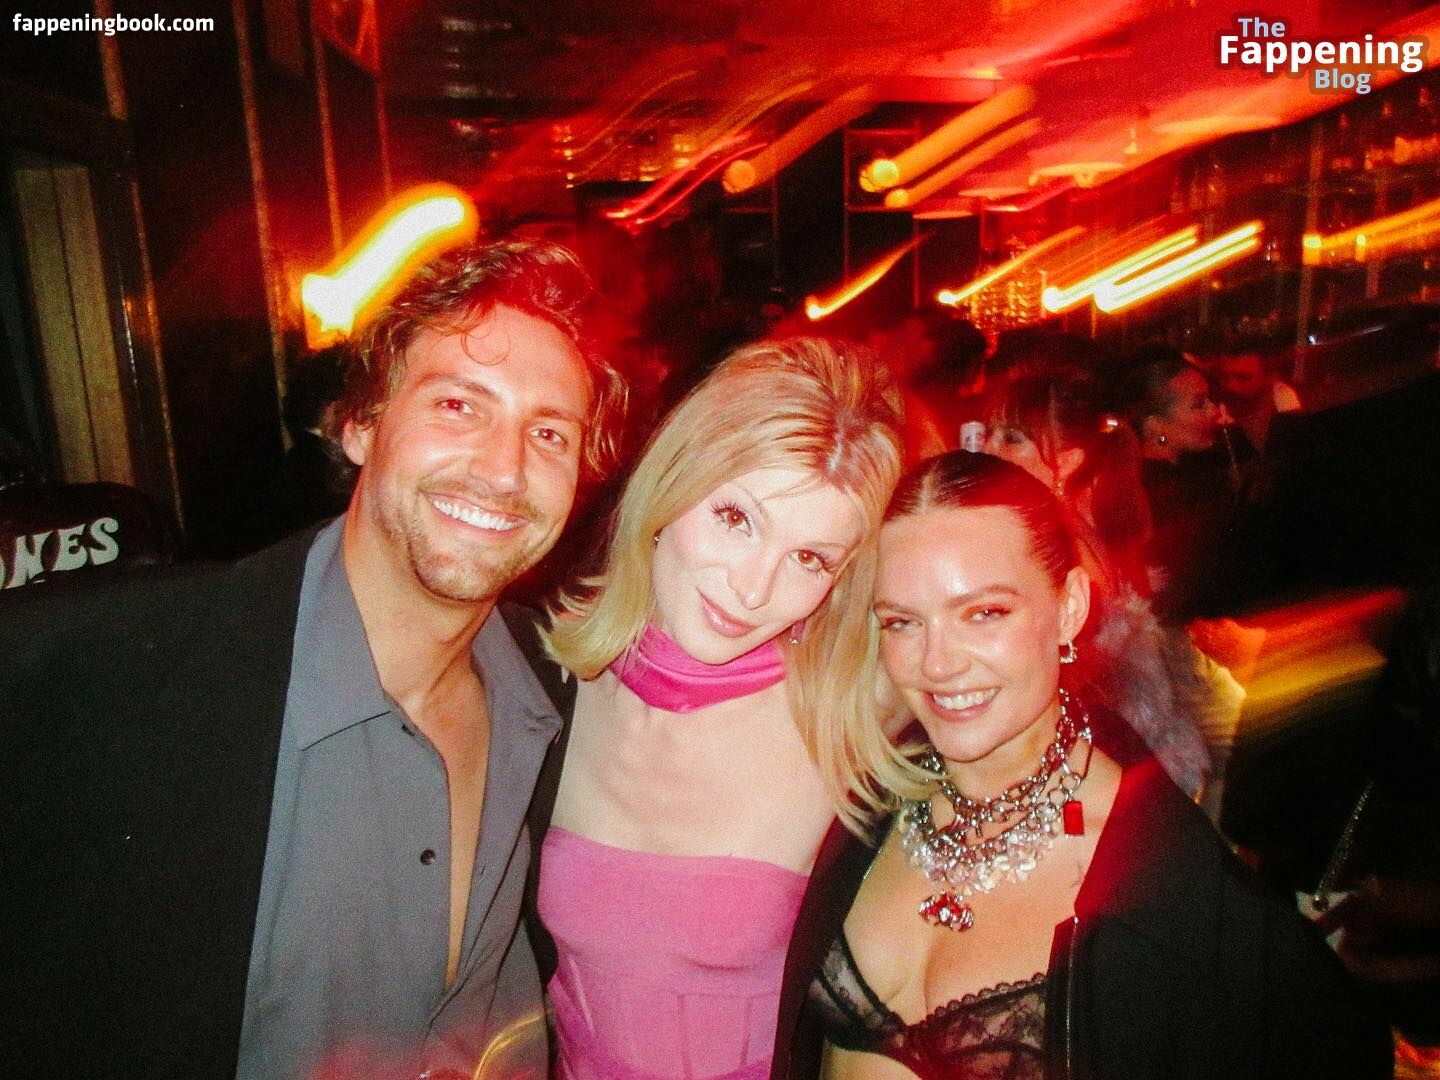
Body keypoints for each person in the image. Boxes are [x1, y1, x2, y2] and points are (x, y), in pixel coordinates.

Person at [0, 239, 626, 1080]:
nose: (504, 469)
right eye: (457, 405)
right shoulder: (103, 674)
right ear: (359, 424)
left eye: (548, 432)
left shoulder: (561, 690)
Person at [771, 451, 1392, 1079]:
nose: (937, 663)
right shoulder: (866, 801)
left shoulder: (1164, 877)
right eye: (902, 622)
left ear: (1069, 607)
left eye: (984, 613)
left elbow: (1337, 1043)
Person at [533, 337, 909, 1079]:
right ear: (673, 482)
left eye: (810, 559)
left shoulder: (855, 707)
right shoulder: (547, 677)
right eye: (736, 517)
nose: (753, 588)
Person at [982, 365, 1220, 803]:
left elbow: (1063, 697)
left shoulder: (1057, 552)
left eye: (1012, 439)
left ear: (1067, 461)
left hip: (1105, 774)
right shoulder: (1061, 525)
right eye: (989, 432)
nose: (988, 449)